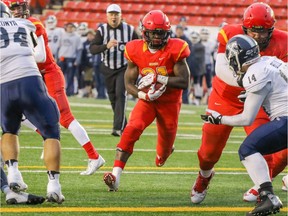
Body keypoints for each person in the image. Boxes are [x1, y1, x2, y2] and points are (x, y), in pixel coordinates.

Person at [190, 2, 288, 204]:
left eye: (263, 31)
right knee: (208, 152)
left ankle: (263, 188)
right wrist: (246, 82)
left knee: (263, 147)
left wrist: (256, 87)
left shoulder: (283, 41)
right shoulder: (230, 33)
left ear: (271, 29)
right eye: (254, 30)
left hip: (258, 99)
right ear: (245, 28)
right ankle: (204, 176)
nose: (258, 36)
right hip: (225, 96)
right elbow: (221, 68)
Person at [5, 0, 105, 176]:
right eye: (13, 8)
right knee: (19, 115)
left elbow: (41, 55)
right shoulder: (9, 27)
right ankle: (46, 136)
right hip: (33, 76)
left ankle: (94, 156)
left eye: (19, 7)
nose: (17, 12)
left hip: (48, 73)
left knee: (65, 118)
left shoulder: (33, 23)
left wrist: (17, 55)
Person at [103, 10, 191, 191]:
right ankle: (115, 176)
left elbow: (184, 81)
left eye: (160, 33)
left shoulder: (176, 48)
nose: (157, 37)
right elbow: (128, 83)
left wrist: (159, 78)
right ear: (145, 32)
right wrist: (144, 95)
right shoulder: (134, 49)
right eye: (153, 33)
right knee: (132, 128)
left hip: (170, 102)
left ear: (167, 33)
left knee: (163, 153)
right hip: (147, 100)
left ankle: (166, 151)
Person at [202, 34, 286, 216]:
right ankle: (267, 196)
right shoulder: (270, 61)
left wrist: (219, 118)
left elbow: (246, 119)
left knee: (247, 149)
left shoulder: (255, 73)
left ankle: (267, 197)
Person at [0, 2, 64, 203]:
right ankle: (54, 186)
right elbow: (39, 53)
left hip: (3, 86)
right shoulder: (26, 24)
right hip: (30, 81)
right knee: (51, 130)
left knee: (9, 130)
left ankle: (13, 174)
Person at [89, 3, 139, 136]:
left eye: (116, 14)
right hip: (107, 68)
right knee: (112, 97)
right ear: (107, 16)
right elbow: (92, 49)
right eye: (111, 14)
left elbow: (139, 47)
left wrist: (136, 65)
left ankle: (117, 128)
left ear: (121, 16)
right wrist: (106, 46)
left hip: (124, 68)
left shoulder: (129, 29)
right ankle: (124, 125)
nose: (113, 17)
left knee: (120, 94)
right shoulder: (102, 30)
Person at [58, 22, 83, 96]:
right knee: (60, 76)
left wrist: (77, 60)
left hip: (71, 58)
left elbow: (79, 50)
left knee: (70, 76)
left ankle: (69, 92)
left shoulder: (77, 37)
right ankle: (60, 91)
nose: (70, 28)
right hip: (62, 57)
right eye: (68, 27)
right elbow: (58, 47)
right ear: (66, 28)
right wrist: (56, 58)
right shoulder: (62, 36)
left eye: (71, 27)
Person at [173, 24, 193, 104]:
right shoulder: (171, 39)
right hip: (173, 64)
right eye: (177, 29)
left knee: (184, 82)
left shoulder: (187, 41)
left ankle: (185, 100)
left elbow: (189, 54)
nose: (179, 31)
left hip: (184, 64)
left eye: (180, 30)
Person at [189, 31, 205, 106]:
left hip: (198, 69)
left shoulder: (200, 46)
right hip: (190, 68)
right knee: (189, 84)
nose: (194, 39)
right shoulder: (190, 45)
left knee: (197, 84)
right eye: (193, 38)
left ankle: (198, 99)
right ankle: (188, 98)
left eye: (195, 38)